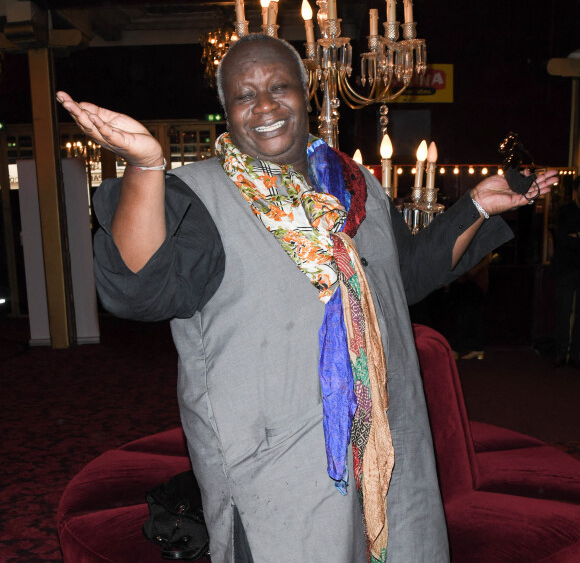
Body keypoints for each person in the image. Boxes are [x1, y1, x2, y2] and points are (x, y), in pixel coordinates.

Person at [57, 34, 558, 563]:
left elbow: (404, 277)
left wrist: (475, 207)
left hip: (387, 439)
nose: (265, 106)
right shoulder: (199, 197)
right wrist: (144, 166)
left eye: (279, 87)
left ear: (307, 93)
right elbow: (139, 288)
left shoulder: (354, 182)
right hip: (277, 460)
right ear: (227, 112)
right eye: (245, 96)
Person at [551, 175, 580, 367]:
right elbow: (561, 239)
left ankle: (576, 354)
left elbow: (570, 239)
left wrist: (575, 236)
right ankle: (561, 353)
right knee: (563, 311)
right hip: (565, 269)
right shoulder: (564, 211)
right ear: (576, 191)